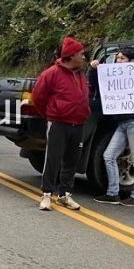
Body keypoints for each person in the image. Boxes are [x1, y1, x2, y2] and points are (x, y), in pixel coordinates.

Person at [31, 36, 89, 211]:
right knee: (53, 159)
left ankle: (64, 194)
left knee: (72, 161)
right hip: (58, 123)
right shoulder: (51, 73)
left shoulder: (81, 74)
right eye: (81, 54)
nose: (84, 57)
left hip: (78, 123)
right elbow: (37, 97)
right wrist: (51, 114)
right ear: (71, 56)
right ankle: (47, 194)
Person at [91, 47, 134, 207]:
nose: (118, 61)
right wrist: (95, 70)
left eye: (122, 58)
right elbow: (100, 86)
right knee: (109, 155)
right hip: (123, 123)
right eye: (117, 58)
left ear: (132, 61)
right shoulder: (115, 77)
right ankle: (112, 193)